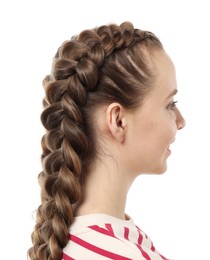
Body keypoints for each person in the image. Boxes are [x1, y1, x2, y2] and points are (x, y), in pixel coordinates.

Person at [28, 21, 185, 260]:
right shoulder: (121, 254)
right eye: (170, 105)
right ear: (118, 120)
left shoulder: (67, 242)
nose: (181, 120)